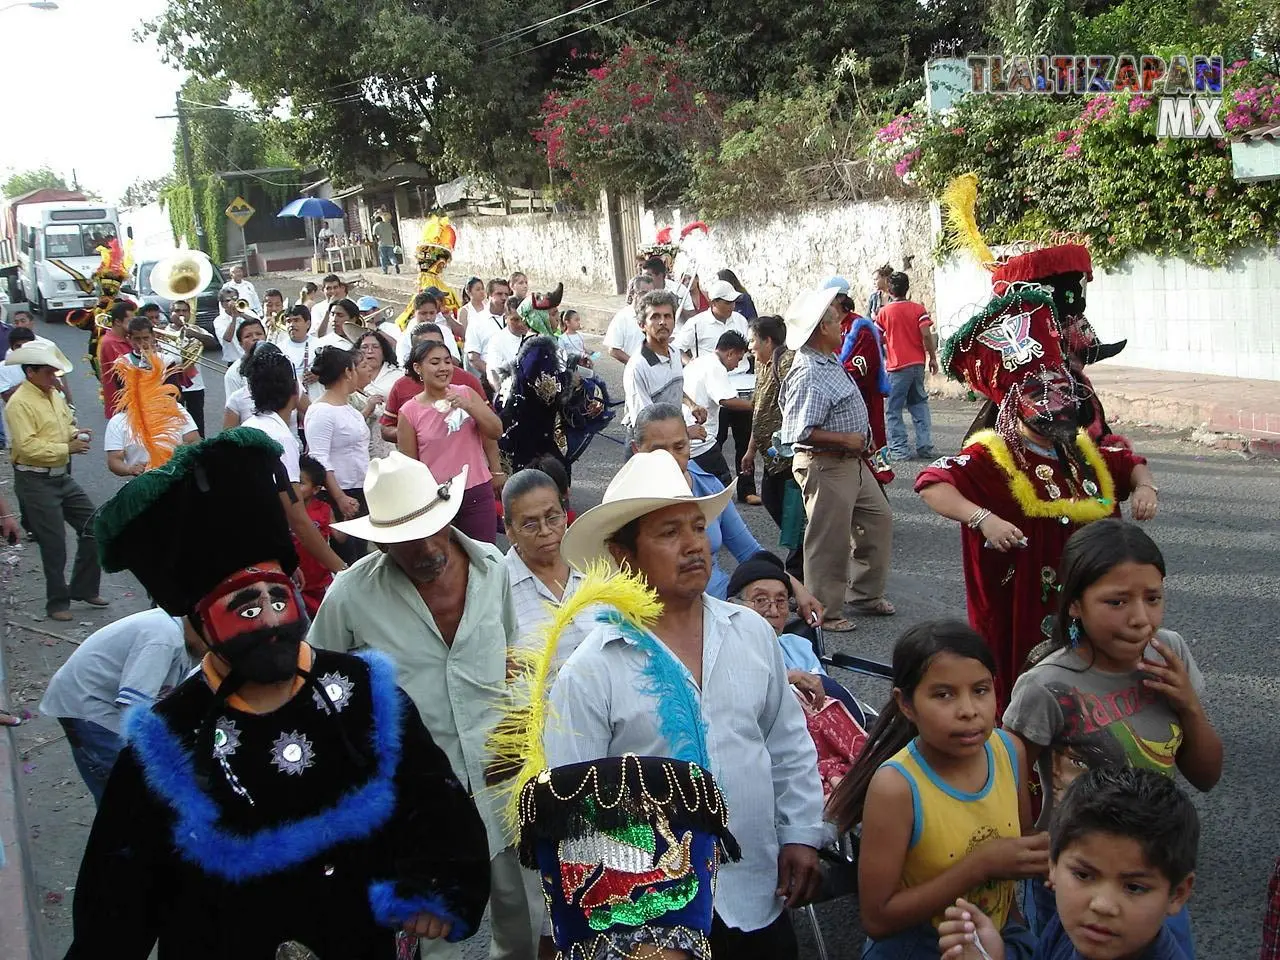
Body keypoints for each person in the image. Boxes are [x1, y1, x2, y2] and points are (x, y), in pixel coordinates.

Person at [68, 430, 492, 958]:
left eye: (278, 597)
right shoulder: (168, 741)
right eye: (245, 607)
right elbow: (117, 903)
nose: (270, 620)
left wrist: (437, 884)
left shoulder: (363, 692)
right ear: (204, 623)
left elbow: (433, 798)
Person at [550, 449, 826, 958]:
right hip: (652, 924)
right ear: (622, 556)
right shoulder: (593, 669)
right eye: (668, 533)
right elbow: (576, 818)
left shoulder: (749, 633)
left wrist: (802, 833)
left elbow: (786, 743)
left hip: (756, 892)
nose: (693, 545)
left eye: (697, 527)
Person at [310, 451, 544, 960]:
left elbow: (513, 657)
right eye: (403, 542)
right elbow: (316, 689)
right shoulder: (350, 596)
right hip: (414, 795)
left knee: (525, 912)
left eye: (432, 530)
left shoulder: (492, 566)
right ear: (378, 541)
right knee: (432, 934)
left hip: (500, 775)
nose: (425, 549)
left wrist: (525, 734)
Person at [915, 286, 1157, 707]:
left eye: (1062, 392)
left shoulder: (1080, 449)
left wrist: (1145, 487)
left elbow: (1127, 461)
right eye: (1040, 398)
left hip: (1093, 600)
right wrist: (983, 519)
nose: (1055, 405)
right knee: (1032, 693)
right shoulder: (993, 456)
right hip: (1026, 605)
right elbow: (934, 483)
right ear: (1013, 406)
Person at [1003, 521, 1220, 957]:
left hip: (1149, 871)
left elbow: (1206, 775)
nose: (1141, 618)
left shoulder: (1168, 653)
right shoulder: (1046, 686)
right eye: (1117, 601)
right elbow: (1006, 783)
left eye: (1153, 598)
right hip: (1077, 876)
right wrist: (1031, 855)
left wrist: (1188, 704)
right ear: (1076, 604)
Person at [825, 621, 1043, 958]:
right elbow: (877, 918)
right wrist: (979, 866)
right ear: (906, 704)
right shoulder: (896, 787)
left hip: (995, 941)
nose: (969, 710)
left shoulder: (1009, 750)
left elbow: (1022, 845)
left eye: (981, 690)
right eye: (944, 694)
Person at [938, 767, 1198, 960]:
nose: (1101, 905)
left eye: (1134, 887)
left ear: (1178, 894)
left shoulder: (1082, 924)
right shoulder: (1070, 928)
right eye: (1084, 875)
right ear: (1052, 865)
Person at [630, 403, 823, 616]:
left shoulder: (709, 486)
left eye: (679, 447)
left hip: (719, 606)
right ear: (636, 450)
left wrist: (797, 588)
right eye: (659, 450)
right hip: (656, 612)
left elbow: (750, 552)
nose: (671, 458)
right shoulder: (624, 502)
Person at [780, 287, 894, 632]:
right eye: (835, 322)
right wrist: (846, 438)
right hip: (827, 463)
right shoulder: (810, 372)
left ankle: (864, 594)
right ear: (821, 330)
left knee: (878, 520)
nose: (842, 326)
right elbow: (796, 431)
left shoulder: (827, 361)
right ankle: (825, 611)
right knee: (828, 539)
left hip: (850, 462)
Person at [38, 609, 206, 805]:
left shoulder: (178, 634)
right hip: (88, 707)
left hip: (95, 703)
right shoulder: (164, 639)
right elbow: (134, 708)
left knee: (130, 786)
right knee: (125, 788)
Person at [5, 341, 104, 622]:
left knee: (94, 525)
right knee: (54, 543)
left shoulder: (53, 394)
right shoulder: (19, 403)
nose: (53, 378)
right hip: (34, 478)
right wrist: (67, 448)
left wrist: (74, 433)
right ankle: (56, 602)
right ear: (31, 372)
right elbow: (26, 447)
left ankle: (83, 588)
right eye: (49, 373)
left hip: (60, 475)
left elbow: (62, 426)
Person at [397, 339, 503, 544]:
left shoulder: (465, 393)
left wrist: (468, 406)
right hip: (435, 499)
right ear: (418, 368)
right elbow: (410, 467)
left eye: (447, 361)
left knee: (483, 559)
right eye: (435, 362)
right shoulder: (409, 412)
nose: (443, 368)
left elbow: (496, 431)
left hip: (475, 493)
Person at [501, 469, 596, 675]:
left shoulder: (596, 565)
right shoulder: (497, 586)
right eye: (530, 524)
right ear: (509, 529)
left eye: (552, 518)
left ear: (565, 514)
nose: (545, 531)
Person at [739, 315, 803, 573]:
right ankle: (800, 554)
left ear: (768, 340)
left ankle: (799, 567)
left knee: (793, 512)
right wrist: (750, 450)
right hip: (771, 456)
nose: (750, 346)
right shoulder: (762, 365)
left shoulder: (786, 362)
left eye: (753, 340)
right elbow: (759, 409)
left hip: (788, 455)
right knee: (772, 500)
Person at [306, 346, 371, 563]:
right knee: (347, 558)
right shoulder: (321, 411)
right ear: (347, 372)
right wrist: (339, 496)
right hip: (337, 493)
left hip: (359, 489)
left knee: (361, 555)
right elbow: (319, 457)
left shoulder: (350, 409)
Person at [830, 278, 893, 480]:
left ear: (839, 300)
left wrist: (829, 380)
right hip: (838, 399)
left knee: (869, 460)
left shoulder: (860, 328)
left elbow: (860, 369)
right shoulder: (831, 326)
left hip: (862, 399)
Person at [103, 353, 200, 478]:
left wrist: (179, 457)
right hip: (144, 484)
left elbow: (194, 441)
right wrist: (129, 469)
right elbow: (114, 461)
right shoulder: (117, 422)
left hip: (180, 478)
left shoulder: (176, 409)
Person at [622, 290, 701, 441]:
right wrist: (685, 433)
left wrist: (692, 405)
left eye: (667, 316)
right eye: (655, 317)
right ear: (642, 325)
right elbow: (645, 422)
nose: (662, 322)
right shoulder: (637, 367)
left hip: (673, 440)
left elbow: (672, 388)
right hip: (649, 446)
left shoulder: (675, 353)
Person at [877, 271, 937, 461]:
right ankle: (925, 446)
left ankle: (900, 450)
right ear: (907, 288)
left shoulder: (884, 312)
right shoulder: (918, 309)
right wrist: (933, 357)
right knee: (919, 403)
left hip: (896, 367)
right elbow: (926, 334)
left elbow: (877, 337)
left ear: (889, 290)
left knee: (893, 409)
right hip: (917, 363)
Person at [682, 330, 752, 486]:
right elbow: (727, 400)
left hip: (686, 433)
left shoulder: (700, 361)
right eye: (738, 359)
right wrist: (756, 406)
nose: (737, 366)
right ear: (730, 353)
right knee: (721, 484)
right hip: (700, 440)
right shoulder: (716, 367)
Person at [292, 454, 346, 616]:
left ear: (315, 489)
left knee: (323, 618)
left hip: (320, 581)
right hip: (294, 580)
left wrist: (347, 519)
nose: (293, 487)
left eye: (300, 483)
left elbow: (339, 538)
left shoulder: (324, 509)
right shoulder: (284, 511)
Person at [161, 298, 215, 436]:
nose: (181, 314)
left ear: (189, 314)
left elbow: (213, 343)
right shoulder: (162, 334)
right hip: (172, 385)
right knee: (174, 424)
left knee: (197, 423)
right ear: (170, 313)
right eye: (177, 311)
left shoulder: (196, 330)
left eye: (184, 311)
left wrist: (195, 334)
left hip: (195, 386)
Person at [485, 295, 531, 402]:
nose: (520, 324)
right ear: (505, 318)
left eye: (523, 319)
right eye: (515, 320)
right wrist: (503, 399)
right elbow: (493, 373)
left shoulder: (534, 337)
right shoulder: (497, 341)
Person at [464, 278, 511, 381]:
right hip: (489, 379)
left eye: (506, 294)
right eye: (499, 294)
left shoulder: (513, 319)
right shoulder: (476, 321)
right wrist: (495, 376)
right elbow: (473, 358)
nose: (504, 298)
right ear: (489, 295)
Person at [273, 303, 320, 405]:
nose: (292, 325)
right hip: (290, 404)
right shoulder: (279, 349)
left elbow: (333, 373)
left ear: (307, 324)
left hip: (315, 400)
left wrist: (319, 375)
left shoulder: (320, 345)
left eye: (296, 320)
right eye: (288, 321)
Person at [603, 274, 652, 365]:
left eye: (651, 293)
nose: (648, 297)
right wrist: (636, 365)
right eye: (644, 293)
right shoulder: (622, 317)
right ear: (633, 294)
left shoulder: (657, 315)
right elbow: (613, 350)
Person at [97, 299, 135, 417]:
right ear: (118, 322)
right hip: (122, 405)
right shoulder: (109, 342)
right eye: (131, 321)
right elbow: (125, 372)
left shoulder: (127, 338)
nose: (134, 324)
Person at [641, 256, 695, 321]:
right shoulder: (642, 291)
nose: (644, 279)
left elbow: (692, 319)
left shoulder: (679, 289)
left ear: (660, 275)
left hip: (678, 330)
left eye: (647, 276)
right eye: (642, 276)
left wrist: (677, 306)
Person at [213, 284, 250, 364]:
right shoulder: (219, 321)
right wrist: (234, 317)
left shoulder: (246, 313)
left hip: (251, 359)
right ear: (222, 304)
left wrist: (242, 314)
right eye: (228, 300)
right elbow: (228, 338)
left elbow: (257, 324)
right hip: (234, 362)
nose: (232, 302)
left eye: (235, 299)